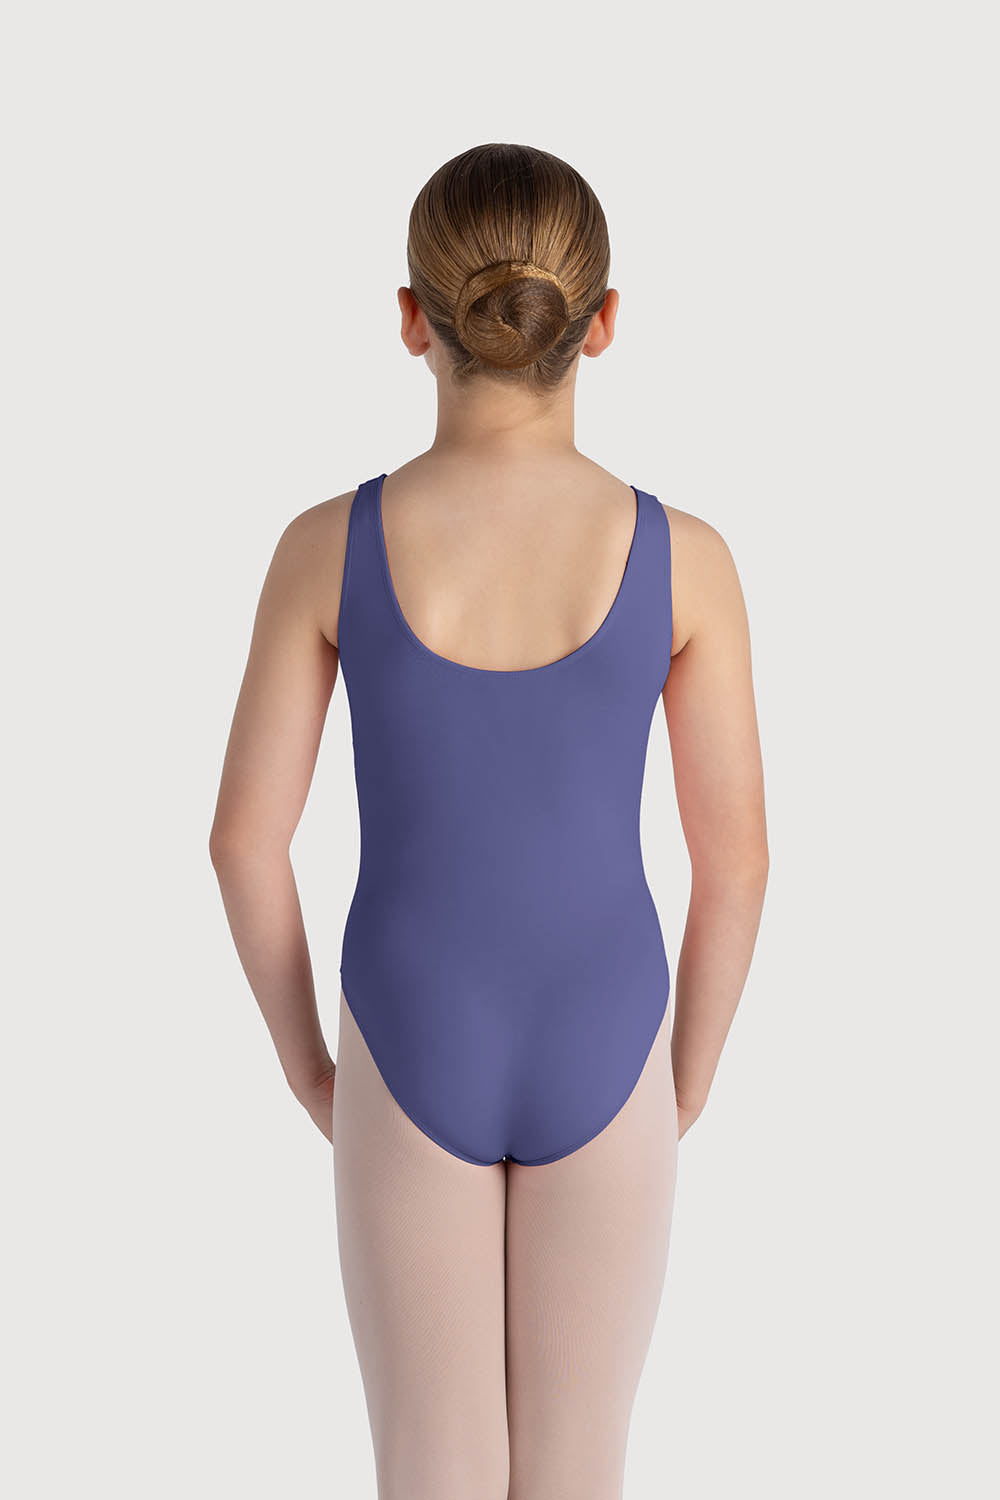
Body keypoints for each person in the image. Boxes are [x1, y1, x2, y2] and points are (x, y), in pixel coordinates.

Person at [210, 141, 769, 1500]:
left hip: (410, 1031)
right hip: (610, 1029)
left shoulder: (324, 547)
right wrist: (684, 1077)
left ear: (414, 319)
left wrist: (312, 1071)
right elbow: (738, 860)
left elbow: (243, 842)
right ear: (604, 320)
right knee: (580, 1471)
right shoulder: (686, 558)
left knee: (429, 1469)